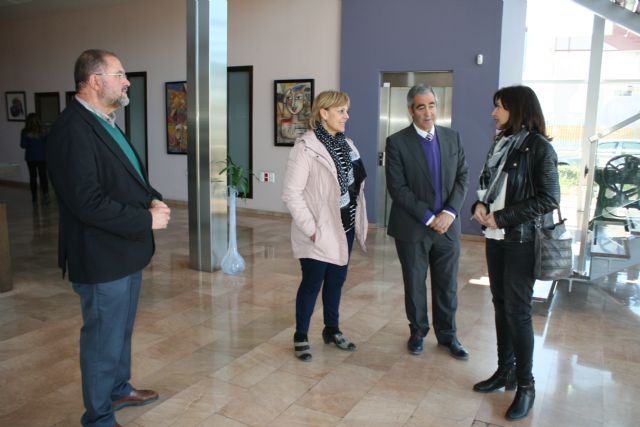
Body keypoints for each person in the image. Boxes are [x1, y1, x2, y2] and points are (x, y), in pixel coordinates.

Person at [46, 49, 171, 427]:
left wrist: (151, 197)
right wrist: (144, 219)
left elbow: (126, 177)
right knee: (102, 339)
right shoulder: (72, 129)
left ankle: (118, 389)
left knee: (120, 331)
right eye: (120, 75)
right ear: (94, 80)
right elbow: (87, 203)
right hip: (100, 256)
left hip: (124, 252)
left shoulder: (105, 122)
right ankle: (99, 417)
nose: (127, 82)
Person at [471, 85, 559, 421]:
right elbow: (489, 186)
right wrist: (480, 206)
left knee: (518, 312)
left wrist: (503, 217)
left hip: (521, 240)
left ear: (518, 108)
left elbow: (548, 198)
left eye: (499, 106)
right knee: (500, 304)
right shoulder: (501, 143)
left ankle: (526, 386)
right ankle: (504, 371)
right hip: (496, 237)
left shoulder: (540, 147)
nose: (493, 113)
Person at [282, 90, 367, 362]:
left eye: (346, 110)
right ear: (324, 113)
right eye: (341, 111)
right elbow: (291, 194)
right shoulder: (305, 148)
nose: (347, 116)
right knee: (312, 283)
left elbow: (356, 186)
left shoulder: (348, 145)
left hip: (344, 227)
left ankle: (332, 329)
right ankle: (301, 335)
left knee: (336, 281)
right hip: (318, 231)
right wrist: (312, 230)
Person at [385, 84, 469, 360]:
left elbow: (463, 177)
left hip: (448, 227)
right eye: (421, 107)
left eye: (432, 105)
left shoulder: (452, 137)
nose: (428, 112)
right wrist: (430, 217)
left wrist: (450, 213)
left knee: (447, 284)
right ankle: (418, 332)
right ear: (411, 110)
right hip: (413, 227)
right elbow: (398, 188)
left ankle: (448, 335)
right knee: (414, 283)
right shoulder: (397, 142)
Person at [20, 113, 50, 204]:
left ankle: (34, 197)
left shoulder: (25, 132)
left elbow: (23, 145)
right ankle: (46, 195)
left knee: (32, 177)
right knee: (43, 176)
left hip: (30, 157)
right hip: (42, 157)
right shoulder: (44, 131)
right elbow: (48, 143)